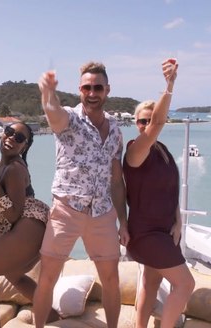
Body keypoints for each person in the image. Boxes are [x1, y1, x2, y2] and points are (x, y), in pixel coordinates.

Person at [34, 62, 130, 328]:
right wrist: (47, 93)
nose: (92, 92)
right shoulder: (70, 119)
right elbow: (53, 114)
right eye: (87, 87)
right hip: (67, 210)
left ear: (107, 90)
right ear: (79, 90)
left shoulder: (115, 130)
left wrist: (123, 221)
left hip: (102, 213)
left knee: (111, 280)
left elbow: (116, 179)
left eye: (98, 87)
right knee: (47, 278)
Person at [123, 59, 195, 328]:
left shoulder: (162, 151)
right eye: (143, 120)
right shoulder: (135, 150)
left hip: (165, 231)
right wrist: (170, 85)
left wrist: (177, 221)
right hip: (146, 234)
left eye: (149, 120)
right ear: (136, 123)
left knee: (150, 284)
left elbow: (172, 190)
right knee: (185, 284)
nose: (147, 124)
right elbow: (159, 121)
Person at [0, 122, 50, 328]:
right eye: (10, 132)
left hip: (30, 222)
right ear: (2, 134)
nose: (12, 138)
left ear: (24, 147)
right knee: (14, 275)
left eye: (20, 138)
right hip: (25, 224)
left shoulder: (14, 168)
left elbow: (14, 214)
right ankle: (55, 317)